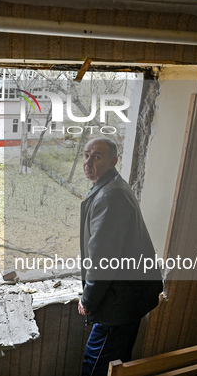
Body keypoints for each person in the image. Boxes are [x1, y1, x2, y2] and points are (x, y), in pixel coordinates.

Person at [78, 137, 163, 376]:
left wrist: (88, 300)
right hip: (130, 295)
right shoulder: (110, 187)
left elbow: (102, 260)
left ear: (112, 161)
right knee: (118, 364)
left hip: (118, 301)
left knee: (95, 365)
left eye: (97, 156)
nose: (88, 162)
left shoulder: (109, 197)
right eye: (86, 155)